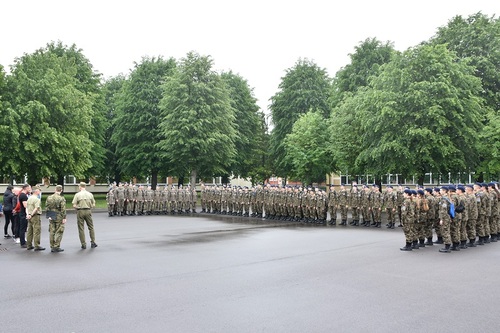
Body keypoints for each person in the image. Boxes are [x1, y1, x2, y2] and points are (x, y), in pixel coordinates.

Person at [72, 182, 97, 249]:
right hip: (88, 210)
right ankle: (93, 242)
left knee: (81, 228)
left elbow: (74, 205)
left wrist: (77, 207)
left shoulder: (77, 195)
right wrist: (90, 206)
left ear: (80, 187)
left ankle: (83, 244)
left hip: (80, 211)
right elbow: (94, 204)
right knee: (91, 227)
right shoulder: (90, 194)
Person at [46, 185, 66, 252]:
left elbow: (47, 207)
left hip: (51, 214)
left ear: (55, 189)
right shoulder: (61, 198)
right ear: (61, 190)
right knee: (59, 231)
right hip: (58, 215)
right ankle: (56, 246)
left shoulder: (49, 197)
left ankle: (52, 245)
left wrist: (49, 215)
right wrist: (64, 217)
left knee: (52, 230)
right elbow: (63, 209)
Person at [26, 185, 45, 251]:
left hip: (29, 216)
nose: (40, 192)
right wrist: (31, 214)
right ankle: (37, 245)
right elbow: (36, 208)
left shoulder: (29, 198)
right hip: (35, 216)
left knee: (30, 231)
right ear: (36, 191)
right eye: (39, 190)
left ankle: (29, 245)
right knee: (36, 231)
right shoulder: (37, 199)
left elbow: (27, 207)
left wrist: (28, 214)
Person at [18, 184, 31, 248]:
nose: (30, 189)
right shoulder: (23, 196)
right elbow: (25, 206)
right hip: (23, 214)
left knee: (23, 228)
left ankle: (23, 241)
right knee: (23, 229)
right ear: (26, 188)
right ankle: (22, 243)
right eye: (29, 188)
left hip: (22, 213)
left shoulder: (22, 195)